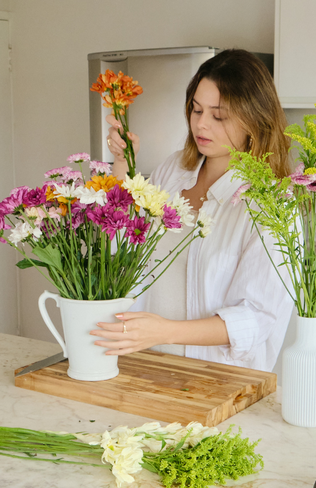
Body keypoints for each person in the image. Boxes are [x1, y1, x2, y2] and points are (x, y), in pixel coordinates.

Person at [90, 49, 294, 372]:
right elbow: (126, 247)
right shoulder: (173, 170)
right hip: (148, 365)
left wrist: (164, 330)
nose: (201, 124)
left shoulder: (272, 205)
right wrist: (122, 165)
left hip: (218, 383)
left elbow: (255, 319)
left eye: (218, 115)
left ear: (254, 119)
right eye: (196, 110)